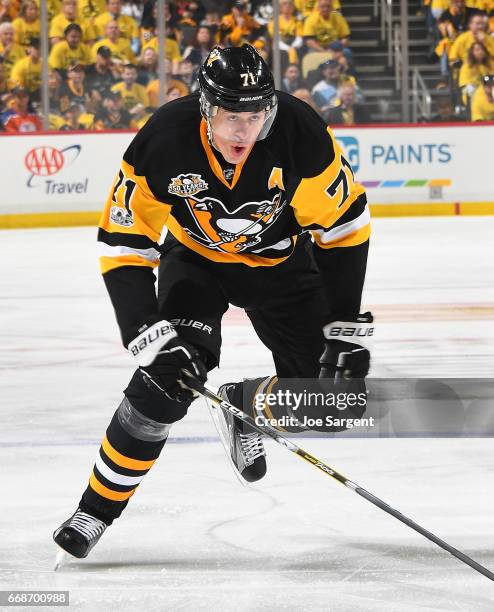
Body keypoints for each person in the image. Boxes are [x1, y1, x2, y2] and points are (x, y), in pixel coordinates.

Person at [53, 44, 372, 559]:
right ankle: (94, 510)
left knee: (331, 401)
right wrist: (144, 330)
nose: (244, 131)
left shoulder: (299, 132)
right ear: (206, 108)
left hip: (282, 266)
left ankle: (246, 406)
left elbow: (346, 228)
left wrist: (344, 324)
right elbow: (123, 241)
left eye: (255, 115)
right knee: (162, 386)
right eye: (231, 117)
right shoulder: (164, 138)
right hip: (196, 263)